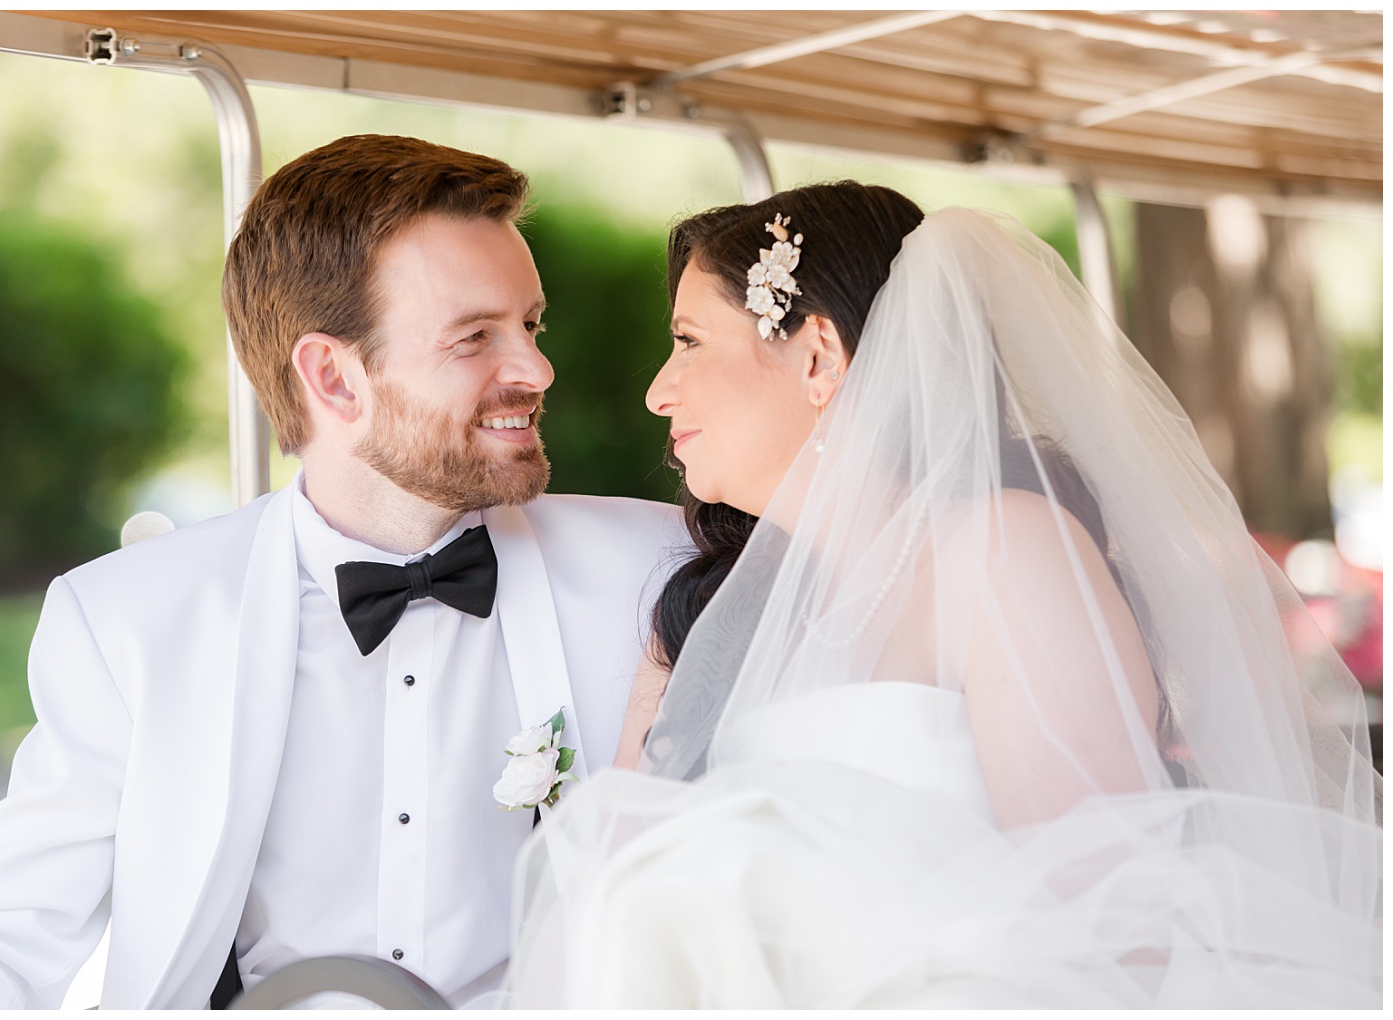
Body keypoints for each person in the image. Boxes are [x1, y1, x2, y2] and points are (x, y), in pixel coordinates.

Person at [504, 184, 1382, 1007]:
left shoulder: (999, 548)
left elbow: (1111, 902)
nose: (659, 388)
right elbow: (613, 881)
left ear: (818, 356)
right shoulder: (698, 612)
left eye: (690, 341)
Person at [0, 135, 687, 1009]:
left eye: (529, 325)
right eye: (474, 338)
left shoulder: (653, 570)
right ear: (333, 380)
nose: (536, 369)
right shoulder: (127, 623)